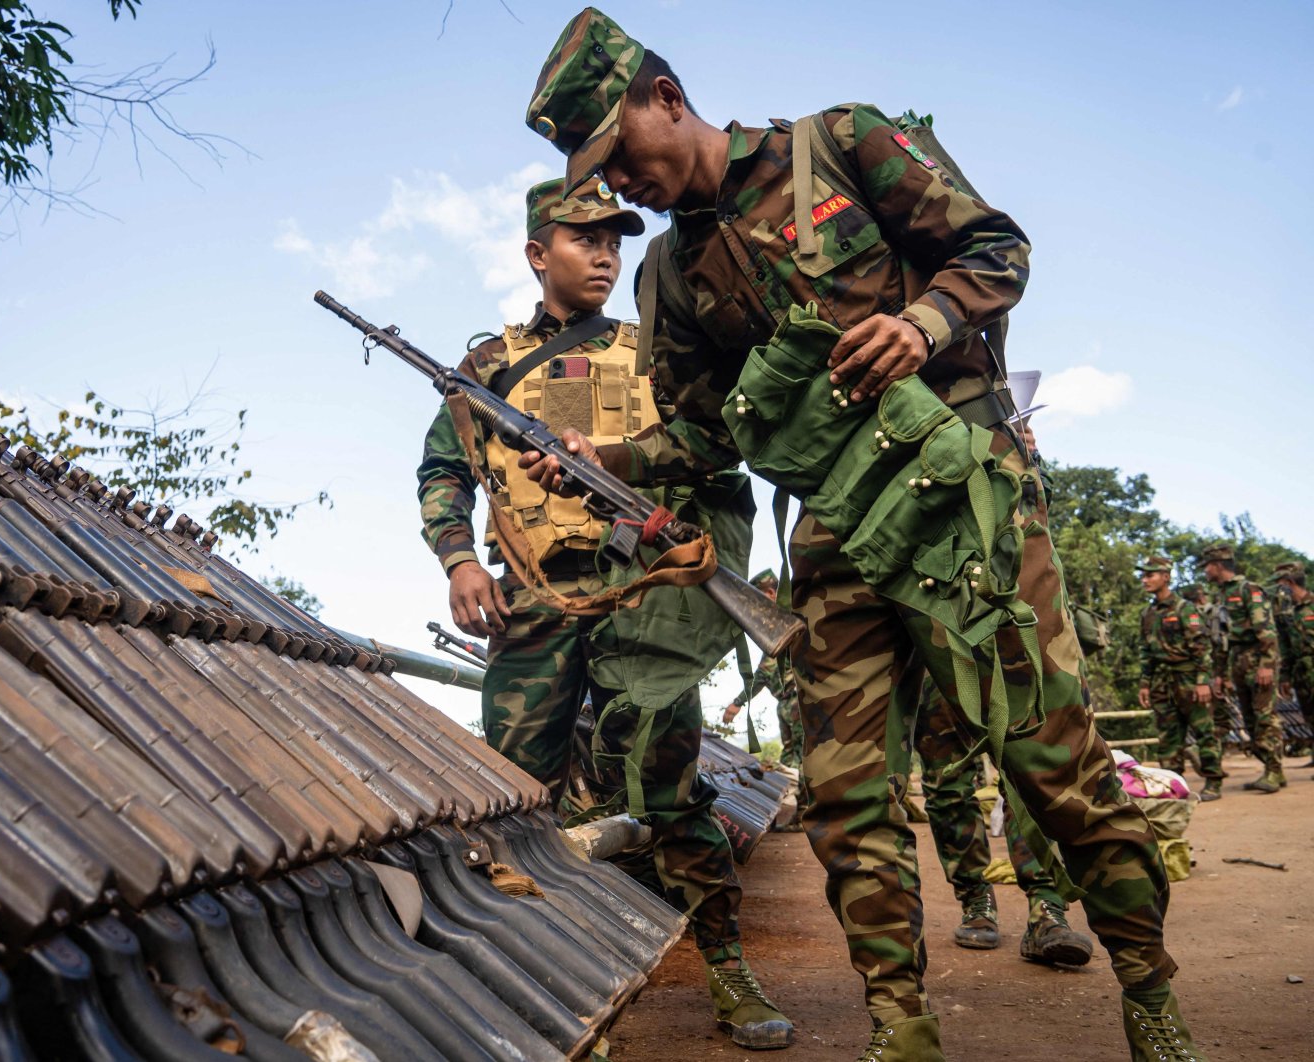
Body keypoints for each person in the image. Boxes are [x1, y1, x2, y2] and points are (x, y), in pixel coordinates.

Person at [520, 10, 1200, 1059]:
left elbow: (997, 247)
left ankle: (1149, 993)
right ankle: (900, 1025)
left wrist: (923, 321)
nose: (618, 184)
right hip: (837, 540)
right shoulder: (669, 276)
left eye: (619, 154)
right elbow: (706, 435)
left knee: (1050, 766)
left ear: (665, 98)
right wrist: (604, 463)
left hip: (963, 504)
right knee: (846, 801)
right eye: (595, 173)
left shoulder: (841, 142)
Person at [414, 176, 794, 1049]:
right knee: (512, 800)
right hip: (536, 603)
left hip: (642, 601)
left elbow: (715, 454)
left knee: (668, 781)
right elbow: (444, 469)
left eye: (615, 240)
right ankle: (521, 982)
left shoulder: (658, 353)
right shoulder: (485, 370)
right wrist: (459, 556)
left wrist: (627, 470)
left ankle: (727, 965)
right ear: (537, 253)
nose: (605, 254)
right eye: (583, 238)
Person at [913, 675, 1096, 963]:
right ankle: (976, 900)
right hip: (936, 646)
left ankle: (1045, 908)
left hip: (1015, 644)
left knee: (1033, 779)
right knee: (947, 782)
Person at [1137, 556, 1224, 800]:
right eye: (1143, 575)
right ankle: (1172, 783)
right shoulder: (1147, 613)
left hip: (1188, 678)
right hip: (1161, 681)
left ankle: (1213, 781)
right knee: (1168, 734)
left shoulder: (1185, 609)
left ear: (1165, 576)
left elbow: (1202, 647)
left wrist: (1201, 680)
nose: (1145, 580)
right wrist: (1145, 683)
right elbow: (1146, 651)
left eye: (1150, 575)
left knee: (1204, 730)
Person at [1199, 542, 1284, 792]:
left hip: (1257, 658)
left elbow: (1266, 630)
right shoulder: (1221, 595)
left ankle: (1274, 771)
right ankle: (1272, 769)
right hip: (1237, 660)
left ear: (1217, 565)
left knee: (1265, 716)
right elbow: (1221, 639)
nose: (1205, 572)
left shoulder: (1250, 590)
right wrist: (1220, 675)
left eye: (1207, 567)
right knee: (1250, 719)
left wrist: (1267, 665)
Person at [720, 569, 803, 770]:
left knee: (803, 760)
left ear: (770, 595)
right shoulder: (778, 627)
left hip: (799, 700)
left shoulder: (792, 620)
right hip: (787, 703)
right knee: (790, 761)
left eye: (759, 601)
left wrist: (738, 703)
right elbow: (764, 674)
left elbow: (763, 674)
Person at [1272, 560, 1314, 768]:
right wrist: (1285, 677)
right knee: (1309, 713)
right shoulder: (1287, 613)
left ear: (1288, 583)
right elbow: (1286, 647)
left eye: (1279, 584)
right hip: (1301, 671)